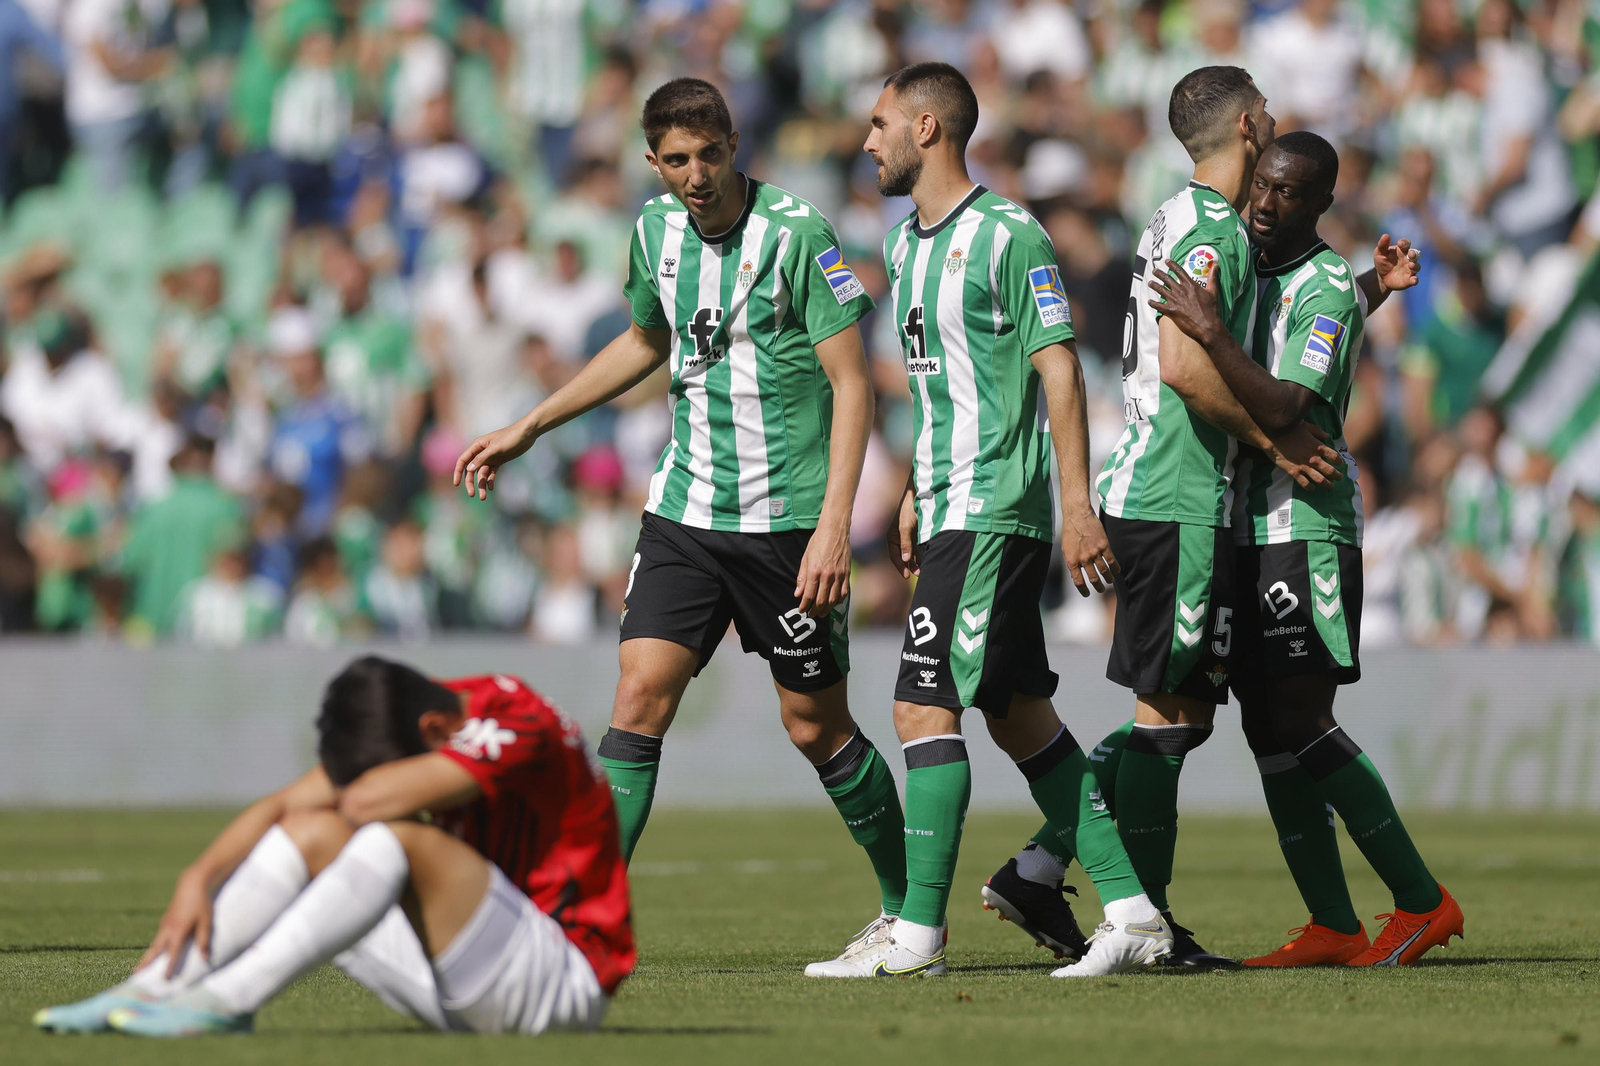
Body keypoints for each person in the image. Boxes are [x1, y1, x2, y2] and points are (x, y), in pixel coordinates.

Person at [452, 79, 908, 954]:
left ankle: (905, 912)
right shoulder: (653, 233)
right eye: (675, 160)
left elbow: (854, 386)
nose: (694, 176)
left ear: (733, 145)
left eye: (708, 155)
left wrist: (832, 527)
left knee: (816, 726)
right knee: (638, 695)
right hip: (685, 513)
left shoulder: (799, 235)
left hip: (787, 525)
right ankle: (581, 925)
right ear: (651, 161)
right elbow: (644, 341)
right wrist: (528, 426)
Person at [803, 61, 1164, 981]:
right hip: (953, 499)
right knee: (1019, 718)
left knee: (921, 704)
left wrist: (1076, 504)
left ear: (928, 128)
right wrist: (920, 487)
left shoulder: (1009, 234)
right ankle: (1130, 912)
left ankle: (917, 933)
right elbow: (936, 391)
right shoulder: (907, 246)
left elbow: (1059, 370)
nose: (869, 140)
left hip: (999, 507)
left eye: (881, 122)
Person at [986, 65, 1343, 968]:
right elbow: (1187, 369)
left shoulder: (1174, 216)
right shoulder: (1211, 227)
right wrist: (1276, 446)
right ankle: (1138, 923)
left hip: (1172, 491)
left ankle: (1047, 869)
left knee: (1179, 712)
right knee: (1169, 718)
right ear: (1253, 125)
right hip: (1176, 492)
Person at [1144, 131, 1464, 967]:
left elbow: (1287, 405)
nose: (1265, 200)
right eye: (1262, 184)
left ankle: (1423, 902)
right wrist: (1376, 287)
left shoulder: (1320, 281)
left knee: (1300, 717)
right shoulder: (1277, 271)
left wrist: (1211, 336)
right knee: (1266, 728)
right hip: (1249, 526)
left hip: (1305, 529)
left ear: (1321, 205)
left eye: (1288, 192)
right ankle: (1331, 923)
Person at [34, 656, 633, 1036]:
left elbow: (365, 803)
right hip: (469, 976)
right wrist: (199, 876)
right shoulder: (426, 712)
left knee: (396, 838)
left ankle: (224, 1000)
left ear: (432, 732)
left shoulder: (518, 724)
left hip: (560, 989)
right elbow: (289, 807)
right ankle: (154, 986)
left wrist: (350, 792)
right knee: (311, 831)